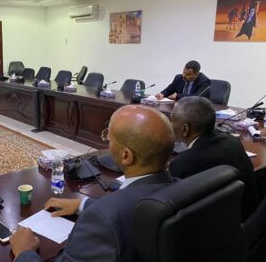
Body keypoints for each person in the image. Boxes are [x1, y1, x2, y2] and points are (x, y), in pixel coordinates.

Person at [10, 105, 176, 261]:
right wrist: (83, 204)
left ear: (126, 156)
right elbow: (132, 210)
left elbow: (116, 214)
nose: (108, 144)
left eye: (109, 140)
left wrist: (25, 252)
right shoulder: (182, 187)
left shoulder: (101, 219)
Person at [168, 96, 259, 220]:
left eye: (171, 120)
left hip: (217, 231)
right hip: (248, 218)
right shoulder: (233, 141)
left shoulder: (182, 164)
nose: (170, 124)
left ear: (185, 129)